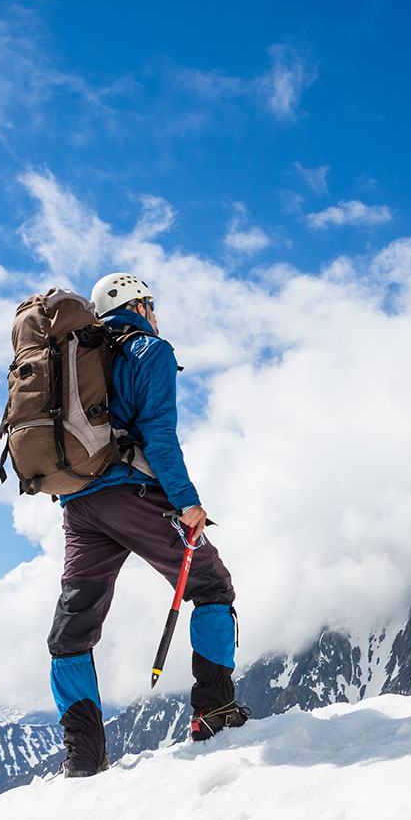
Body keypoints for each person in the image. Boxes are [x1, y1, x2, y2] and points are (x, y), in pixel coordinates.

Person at [46, 272, 246, 778]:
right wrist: (188, 502)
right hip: (134, 494)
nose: (155, 313)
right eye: (151, 304)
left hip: (78, 505)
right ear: (140, 305)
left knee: (74, 626)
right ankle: (216, 711)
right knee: (211, 584)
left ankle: (83, 757)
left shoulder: (73, 352)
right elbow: (159, 434)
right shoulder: (147, 350)